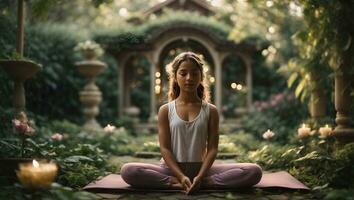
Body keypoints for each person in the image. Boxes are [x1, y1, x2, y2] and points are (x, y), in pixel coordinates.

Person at [120, 52, 262, 194]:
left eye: (194, 73)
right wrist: (180, 176)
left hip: (203, 170)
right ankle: (175, 183)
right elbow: (165, 149)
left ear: (201, 77)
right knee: (128, 170)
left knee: (253, 171)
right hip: (171, 170)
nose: (189, 78)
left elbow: (212, 149)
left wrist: (200, 175)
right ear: (175, 77)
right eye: (183, 73)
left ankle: (204, 182)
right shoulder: (165, 110)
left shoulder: (211, 111)